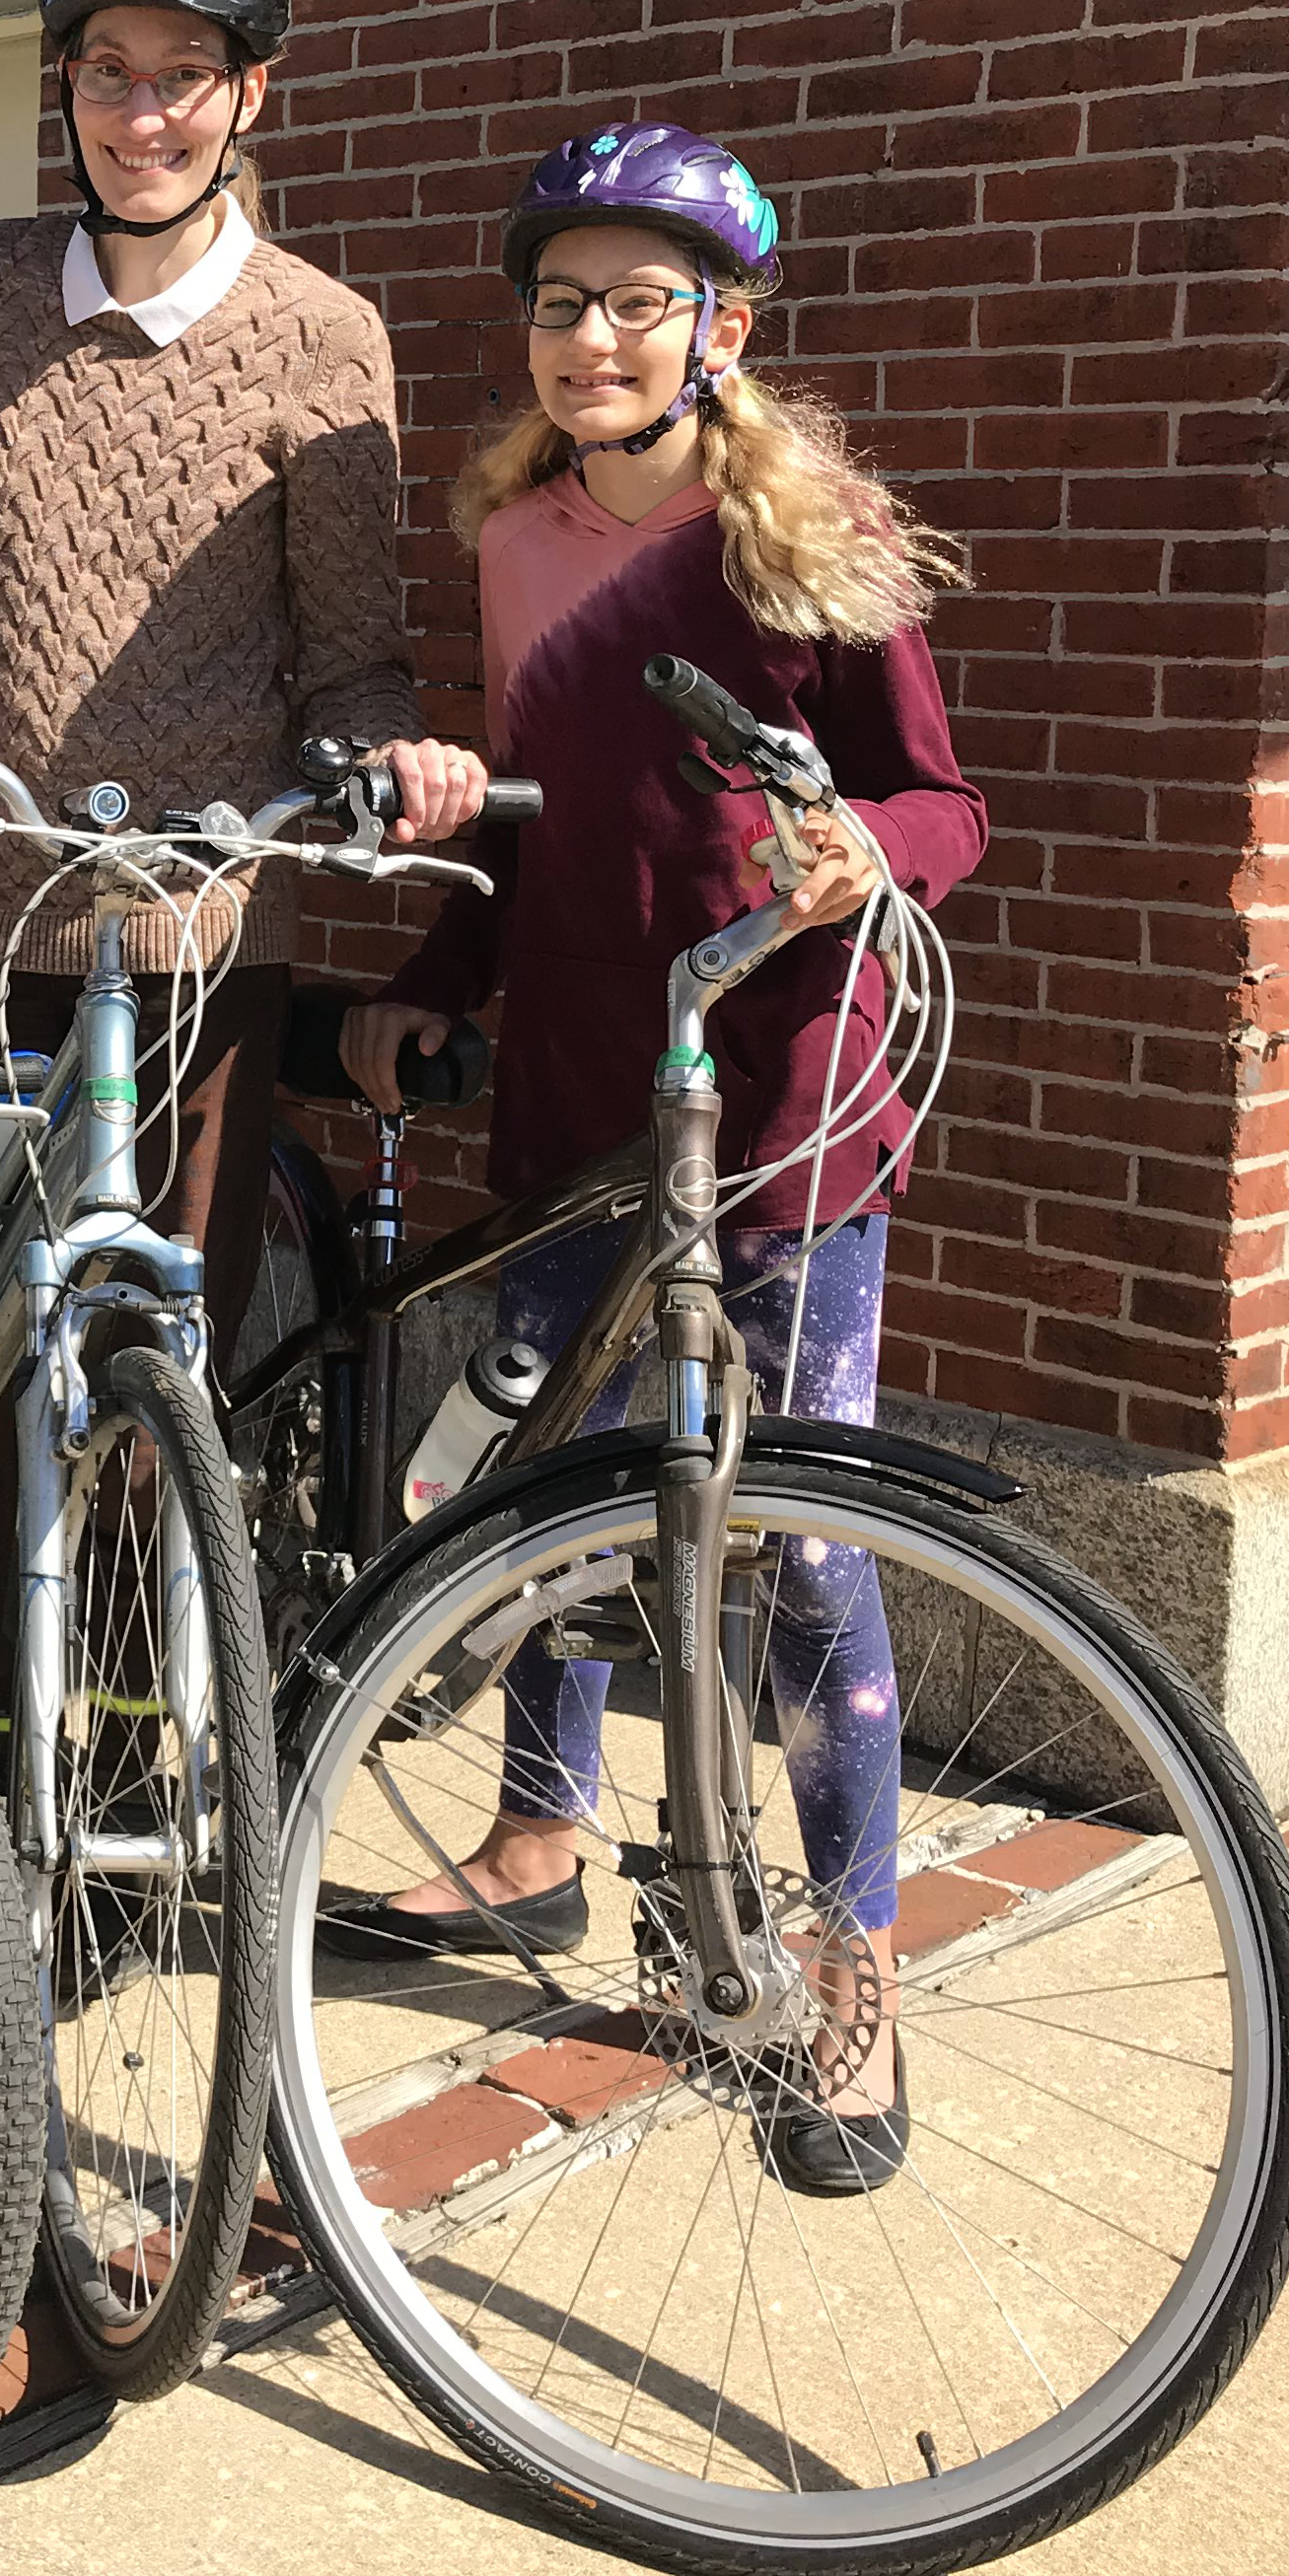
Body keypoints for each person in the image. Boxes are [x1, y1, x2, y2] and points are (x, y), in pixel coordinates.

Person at [333, 120, 987, 2193]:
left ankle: (853, 1961)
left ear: (722, 328)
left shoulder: (813, 532)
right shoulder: (521, 537)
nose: (591, 336)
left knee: (796, 1535)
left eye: (638, 302)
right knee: (554, 1482)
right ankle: (540, 1832)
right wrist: (433, 970)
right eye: (559, 301)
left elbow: (945, 807)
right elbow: (539, 823)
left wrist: (852, 851)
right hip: (574, 1091)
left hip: (787, 1103)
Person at [0, 0, 494, 1689]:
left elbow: (349, 655)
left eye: (188, 79)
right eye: (110, 74)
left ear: (254, 98)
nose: (145, 116)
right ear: (65, 90)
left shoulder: (322, 333)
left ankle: (137, 1769)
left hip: (199, 924)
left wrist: (381, 760)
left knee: (157, 1375)